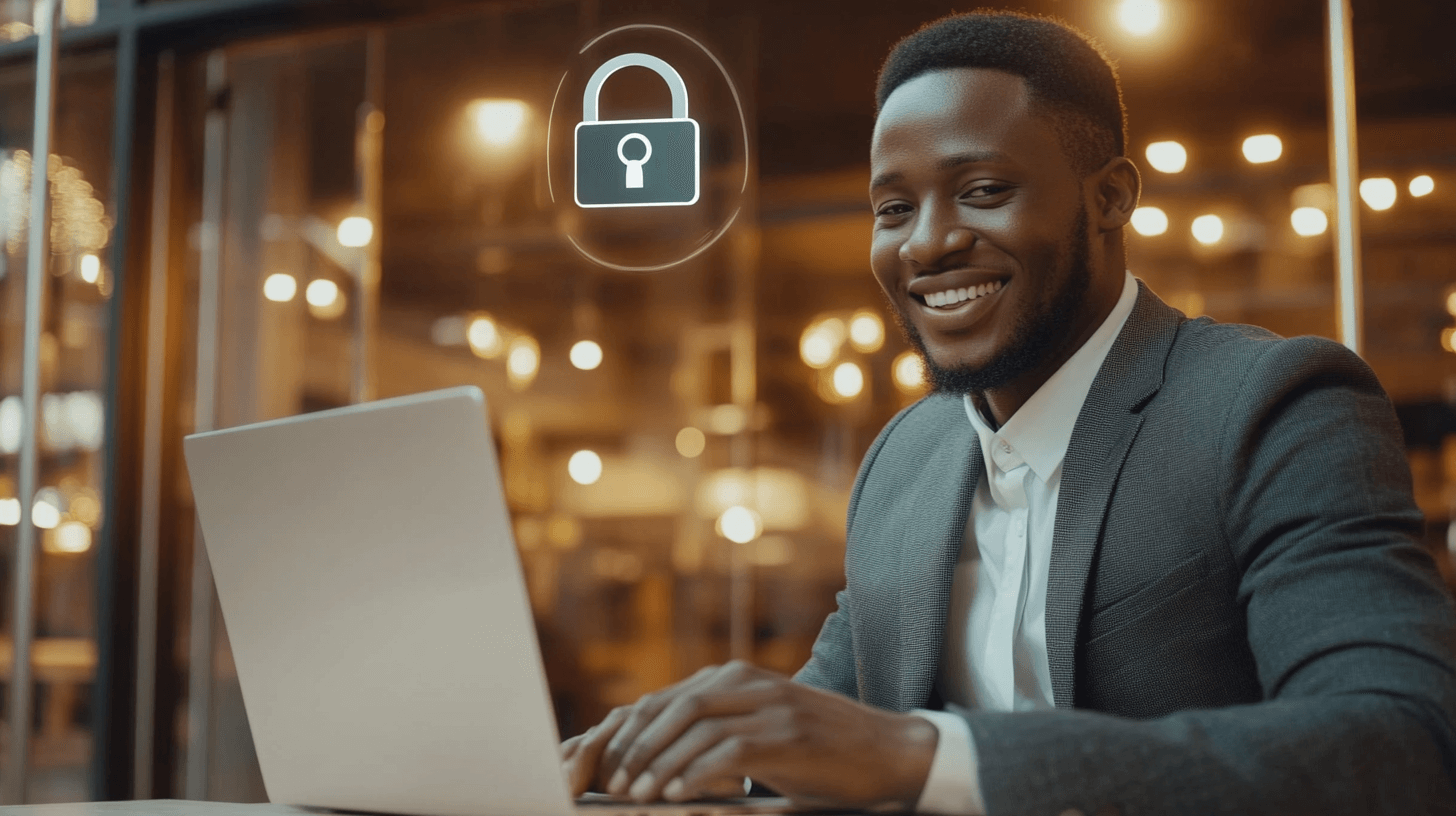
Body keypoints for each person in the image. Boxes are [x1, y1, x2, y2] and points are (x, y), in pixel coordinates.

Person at [560, 11, 1456, 815]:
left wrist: (927, 757)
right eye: (893, 208)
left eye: (983, 190)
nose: (928, 242)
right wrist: (665, 755)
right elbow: (822, 732)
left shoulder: (1272, 404)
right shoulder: (904, 458)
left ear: (1110, 198)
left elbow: (1398, 746)